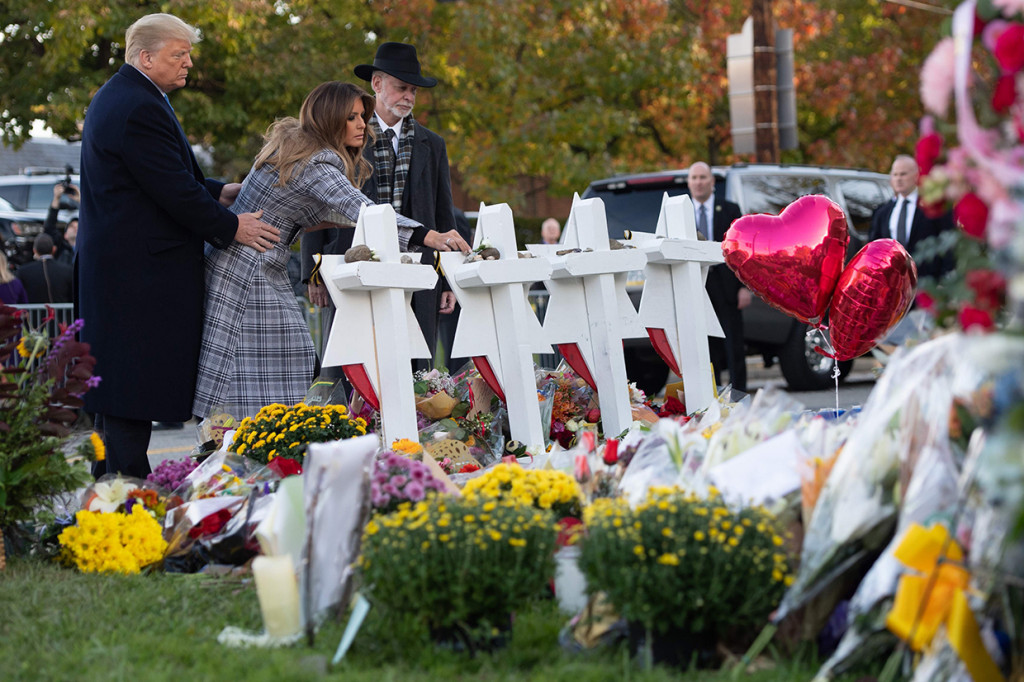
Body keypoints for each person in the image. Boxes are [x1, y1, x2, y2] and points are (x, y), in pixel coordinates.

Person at [77, 13, 280, 478]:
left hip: (121, 272)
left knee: (121, 397)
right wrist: (232, 227)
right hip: (139, 278)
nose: (188, 63)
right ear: (146, 58)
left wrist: (216, 190)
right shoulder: (139, 106)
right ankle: (124, 497)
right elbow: (169, 190)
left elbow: (156, 177)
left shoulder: (128, 96)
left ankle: (113, 491)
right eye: (178, 54)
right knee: (130, 393)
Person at [193, 81, 469, 420]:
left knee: (260, 369)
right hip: (248, 270)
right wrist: (428, 237)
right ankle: (251, 450)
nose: (361, 125)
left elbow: (325, 212)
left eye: (362, 117)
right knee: (272, 367)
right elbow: (364, 209)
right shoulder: (317, 164)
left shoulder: (297, 149)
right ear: (328, 118)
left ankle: (249, 448)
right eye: (351, 117)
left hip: (248, 264)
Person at [302, 42, 460, 372]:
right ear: (377, 84)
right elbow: (316, 206)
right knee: (351, 365)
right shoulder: (347, 133)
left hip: (417, 269)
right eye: (402, 87)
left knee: (416, 368)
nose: (409, 97)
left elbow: (444, 218)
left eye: (413, 90)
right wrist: (312, 274)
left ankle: (415, 425)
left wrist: (448, 281)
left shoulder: (433, 144)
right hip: (350, 262)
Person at [687, 161, 747, 392]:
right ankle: (712, 395)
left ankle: (739, 395)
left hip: (728, 286)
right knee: (705, 345)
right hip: (696, 286)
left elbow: (742, 250)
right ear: (689, 182)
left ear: (712, 182)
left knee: (733, 343)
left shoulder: (730, 209)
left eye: (703, 177)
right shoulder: (678, 213)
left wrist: (744, 287)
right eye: (694, 178)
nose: (699, 182)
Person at [869, 154, 954, 281]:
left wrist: (944, 280)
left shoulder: (933, 207)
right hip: (892, 285)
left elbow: (947, 244)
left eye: (903, 174)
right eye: (895, 174)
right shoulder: (883, 212)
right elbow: (874, 250)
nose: (898, 179)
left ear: (916, 176)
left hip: (927, 283)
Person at [17, 234, 73, 303]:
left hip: (33, 313)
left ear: (34, 250)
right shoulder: (67, 270)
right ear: (54, 249)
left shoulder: (23, 271)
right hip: (62, 313)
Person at [43, 182, 78, 265]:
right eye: (72, 226)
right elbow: (49, 227)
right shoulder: (62, 249)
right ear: (65, 235)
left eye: (79, 226)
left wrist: (80, 200)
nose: (76, 228)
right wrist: (56, 198)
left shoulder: (87, 248)